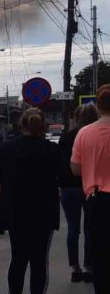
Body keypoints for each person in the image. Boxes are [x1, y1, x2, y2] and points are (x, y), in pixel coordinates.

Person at [0, 108, 61, 294]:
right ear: (43, 126)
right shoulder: (52, 150)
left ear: (21, 125)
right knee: (39, 262)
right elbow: (62, 176)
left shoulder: (6, 148)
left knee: (18, 261)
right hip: (43, 215)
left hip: (15, 213)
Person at [71, 84, 110, 294]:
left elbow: (76, 169)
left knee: (100, 256)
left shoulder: (84, 133)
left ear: (99, 105)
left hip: (97, 201)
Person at [58, 104, 98, 283]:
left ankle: (75, 269)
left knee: (73, 228)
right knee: (91, 229)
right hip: (92, 188)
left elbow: (60, 164)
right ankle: (90, 268)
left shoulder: (66, 138)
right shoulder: (96, 136)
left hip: (69, 188)